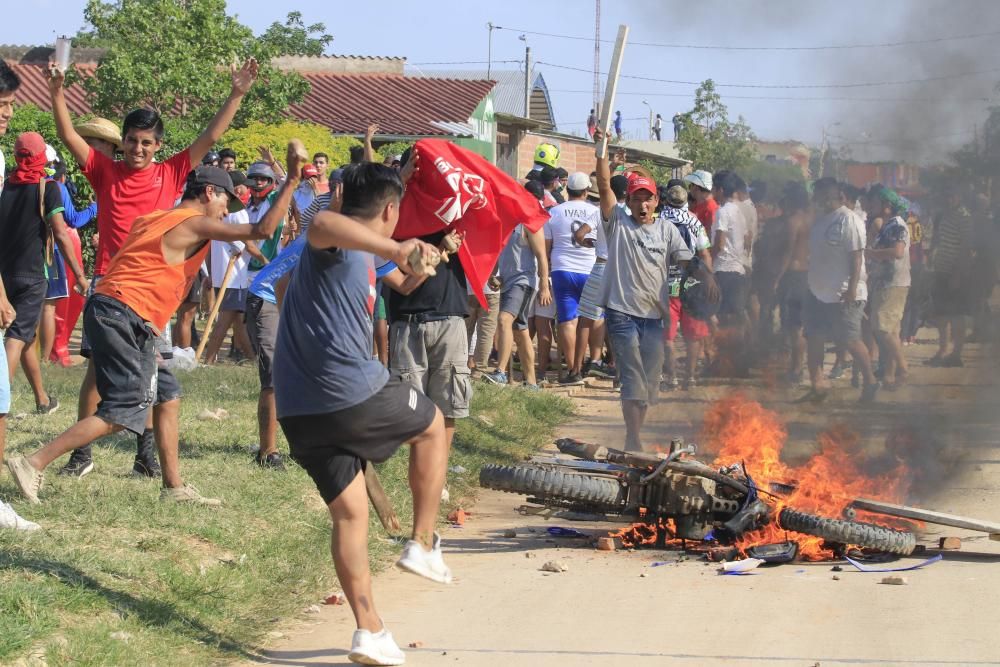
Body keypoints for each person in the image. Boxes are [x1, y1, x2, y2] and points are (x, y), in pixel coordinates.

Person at [5, 156, 300, 504]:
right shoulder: (192, 221)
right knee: (122, 410)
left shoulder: (157, 217)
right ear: (209, 192)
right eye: (225, 201)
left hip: (120, 311)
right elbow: (261, 231)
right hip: (125, 313)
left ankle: (173, 488)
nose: (226, 210)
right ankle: (32, 462)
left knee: (167, 394)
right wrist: (292, 180)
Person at [275, 162, 451, 665]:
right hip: (347, 392)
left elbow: (396, 271)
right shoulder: (336, 236)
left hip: (300, 411)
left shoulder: (362, 251)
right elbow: (323, 226)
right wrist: (398, 248)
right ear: (391, 211)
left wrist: (417, 255)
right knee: (434, 426)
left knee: (351, 514)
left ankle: (369, 631)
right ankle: (422, 541)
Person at [49, 59, 259, 478]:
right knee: (97, 373)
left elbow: (211, 135)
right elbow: (69, 136)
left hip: (152, 297)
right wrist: (57, 91)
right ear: (121, 142)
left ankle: (145, 457)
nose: (138, 149)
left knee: (155, 378)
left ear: (158, 145)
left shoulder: (172, 171)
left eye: (146, 142)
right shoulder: (105, 171)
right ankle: (82, 454)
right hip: (111, 289)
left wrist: (236, 94)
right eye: (132, 141)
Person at [594, 131, 718, 451]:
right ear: (630, 202)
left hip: (654, 317)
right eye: (637, 198)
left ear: (656, 202)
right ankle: (633, 437)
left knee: (650, 386)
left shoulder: (666, 229)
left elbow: (687, 261)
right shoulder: (618, 223)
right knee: (633, 378)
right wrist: (603, 151)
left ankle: (635, 430)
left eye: (648, 198)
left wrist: (705, 279)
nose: (643, 203)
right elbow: (605, 186)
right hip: (622, 313)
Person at [0, 133, 89, 416]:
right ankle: (2, 402)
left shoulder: (6, 188)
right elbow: (62, 233)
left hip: (4, 276)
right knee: (17, 336)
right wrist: (80, 275)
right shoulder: (47, 187)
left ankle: (42, 399)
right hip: (32, 274)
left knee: (27, 336)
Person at [0, 58, 42, 531]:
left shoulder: (5, 171)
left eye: (10, 105)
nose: (8, 112)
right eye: (4, 104)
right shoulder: (43, 187)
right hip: (26, 279)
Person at [799, 178, 878, 403]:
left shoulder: (849, 219)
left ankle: (870, 382)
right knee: (813, 337)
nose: (817, 200)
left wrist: (852, 288)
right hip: (817, 291)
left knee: (850, 339)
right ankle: (818, 384)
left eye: (821, 195)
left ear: (834, 196)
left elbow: (856, 256)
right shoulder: (820, 221)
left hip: (844, 292)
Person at [484, 181, 552, 389]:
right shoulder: (508, 221)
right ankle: (531, 383)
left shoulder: (531, 224)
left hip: (523, 282)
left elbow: (541, 257)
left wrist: (544, 286)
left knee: (504, 319)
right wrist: (493, 273)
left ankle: (500, 372)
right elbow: (500, 249)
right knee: (520, 332)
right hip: (508, 282)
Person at [545, 171, 599, 385]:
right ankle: (591, 362)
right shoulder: (594, 211)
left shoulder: (554, 212)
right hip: (590, 269)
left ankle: (572, 370)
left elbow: (547, 247)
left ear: (567, 190)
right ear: (586, 191)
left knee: (567, 319)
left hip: (562, 269)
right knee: (590, 319)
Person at [660, 182, 713, 390]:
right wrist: (709, 281)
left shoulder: (658, 223)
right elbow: (706, 254)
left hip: (666, 286)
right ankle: (689, 378)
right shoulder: (694, 221)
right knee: (693, 335)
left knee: (667, 335)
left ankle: (670, 377)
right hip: (691, 285)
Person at [200, 172, 255, 365]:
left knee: (238, 321)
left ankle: (253, 359)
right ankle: (208, 360)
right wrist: (265, 260)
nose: (245, 190)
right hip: (233, 276)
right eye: (242, 187)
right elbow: (247, 244)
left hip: (223, 272)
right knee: (224, 322)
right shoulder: (237, 212)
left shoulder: (219, 210)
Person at [865, 185, 911, 389]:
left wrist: (873, 254)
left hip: (892, 284)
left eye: (875, 202)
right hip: (887, 282)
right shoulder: (889, 224)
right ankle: (890, 377)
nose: (871, 206)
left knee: (882, 328)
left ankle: (903, 368)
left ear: (887, 206)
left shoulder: (896, 225)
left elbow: (898, 252)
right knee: (891, 330)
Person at [570, 177, 613, 381]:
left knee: (586, 320)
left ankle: (576, 370)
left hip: (602, 266)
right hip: (624, 271)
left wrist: (589, 243)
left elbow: (579, 235)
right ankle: (614, 367)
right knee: (618, 320)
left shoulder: (598, 212)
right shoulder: (630, 214)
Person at [926, 192, 974, 367]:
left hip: (956, 273)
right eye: (947, 195)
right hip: (941, 271)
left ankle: (956, 354)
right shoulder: (944, 214)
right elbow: (938, 239)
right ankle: (943, 350)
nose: (949, 198)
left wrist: (958, 275)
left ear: (959, 196)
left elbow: (966, 248)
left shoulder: (964, 216)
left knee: (956, 315)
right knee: (941, 314)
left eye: (952, 195)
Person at [709, 171, 750, 375]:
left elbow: (719, 243)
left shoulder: (723, 211)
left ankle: (725, 363)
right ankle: (738, 362)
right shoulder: (739, 210)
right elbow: (747, 238)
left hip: (724, 270)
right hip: (738, 270)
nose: (712, 193)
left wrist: (707, 260)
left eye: (714, 189)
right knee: (735, 319)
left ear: (721, 190)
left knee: (723, 318)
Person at [773, 182, 812, 384]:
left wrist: (777, 279)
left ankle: (796, 369)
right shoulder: (814, 219)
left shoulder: (793, 221)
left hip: (794, 276)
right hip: (810, 277)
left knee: (794, 327)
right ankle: (799, 367)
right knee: (802, 326)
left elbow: (787, 255)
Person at [685, 170, 718, 235]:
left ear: (696, 187)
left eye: (690, 185)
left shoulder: (711, 208)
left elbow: (711, 235)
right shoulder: (697, 205)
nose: (689, 189)